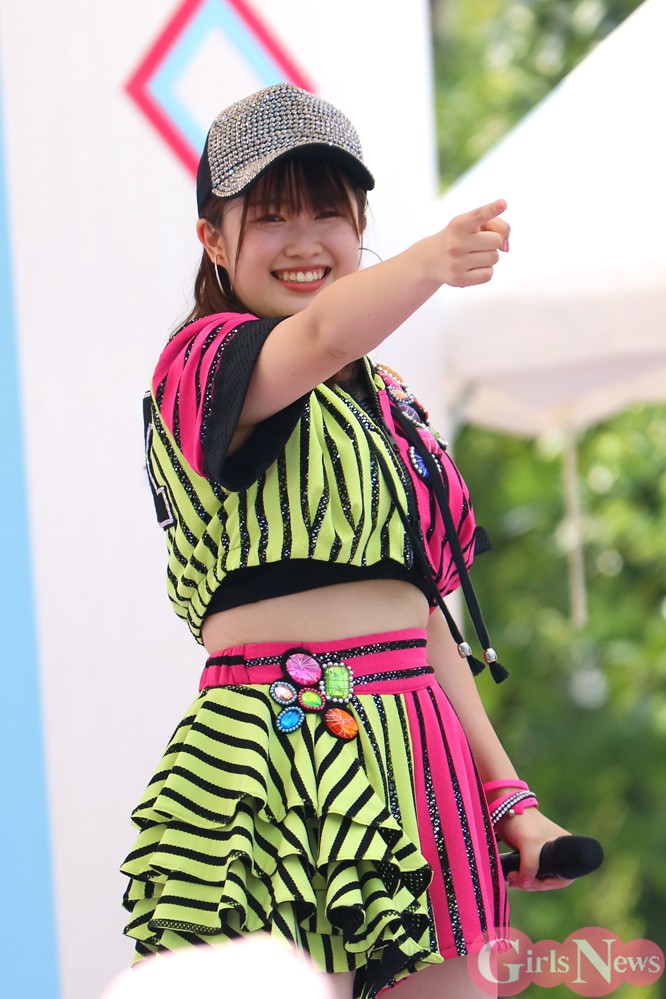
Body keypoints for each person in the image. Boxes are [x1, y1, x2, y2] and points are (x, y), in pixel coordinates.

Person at [121, 83, 572, 999]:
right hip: (269, 752)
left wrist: (509, 795)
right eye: (270, 216)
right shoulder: (202, 359)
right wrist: (429, 262)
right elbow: (322, 333)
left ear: (358, 225)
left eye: (328, 213)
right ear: (213, 239)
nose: (304, 241)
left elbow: (424, 614)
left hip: (423, 752)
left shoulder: (388, 400)